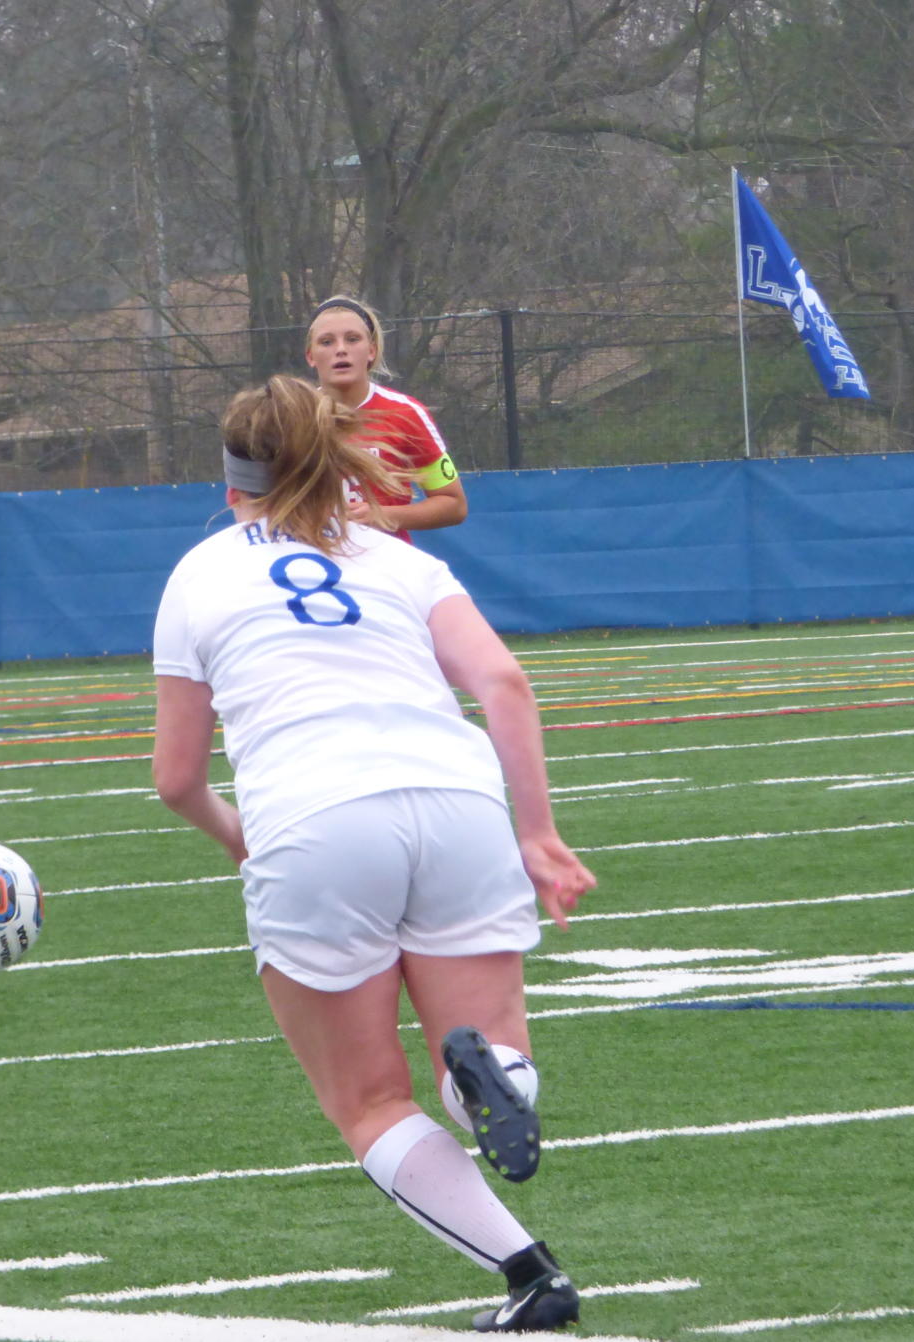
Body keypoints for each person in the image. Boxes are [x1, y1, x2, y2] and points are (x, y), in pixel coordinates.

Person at [151, 374, 596, 1333]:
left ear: (232, 485)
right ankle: (494, 1079)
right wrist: (537, 834)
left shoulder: (199, 573)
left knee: (368, 1102)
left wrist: (242, 844)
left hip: (315, 819)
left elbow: (176, 778)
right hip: (457, 799)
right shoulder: (399, 559)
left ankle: (530, 1275)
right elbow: (505, 686)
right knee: (484, 1049)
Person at [304, 294, 467, 542]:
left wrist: (380, 515)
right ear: (311, 357)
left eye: (352, 339)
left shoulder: (406, 414)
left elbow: (453, 504)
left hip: (385, 570)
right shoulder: (291, 418)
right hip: (311, 568)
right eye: (326, 342)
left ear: (371, 351)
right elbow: (259, 503)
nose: (340, 349)